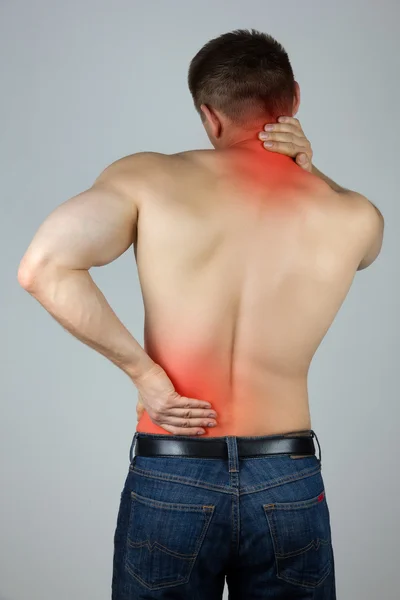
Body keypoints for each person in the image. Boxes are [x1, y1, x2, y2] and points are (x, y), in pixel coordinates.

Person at [18, 28, 384, 600]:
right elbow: (371, 248)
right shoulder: (351, 215)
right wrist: (312, 171)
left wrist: (145, 376)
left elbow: (41, 268)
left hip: (175, 468)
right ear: (294, 100)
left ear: (211, 117)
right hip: (287, 478)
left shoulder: (149, 178)